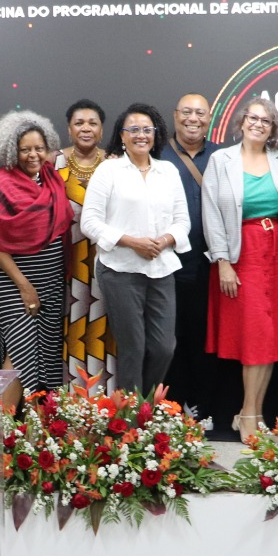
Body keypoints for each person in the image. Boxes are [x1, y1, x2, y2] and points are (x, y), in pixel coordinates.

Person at [202, 97, 278, 443]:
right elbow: (211, 213)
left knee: (271, 338)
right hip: (241, 254)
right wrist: (223, 262)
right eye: (253, 118)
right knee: (255, 336)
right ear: (242, 121)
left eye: (266, 121)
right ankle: (247, 413)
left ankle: (253, 413)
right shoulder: (221, 160)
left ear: (273, 128)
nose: (258, 124)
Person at [80, 102, 190, 394]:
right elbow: (89, 222)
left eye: (147, 129)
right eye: (134, 129)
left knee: (164, 347)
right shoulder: (109, 170)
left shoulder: (168, 171)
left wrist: (163, 241)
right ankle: (131, 414)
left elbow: (182, 222)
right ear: (122, 135)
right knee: (133, 348)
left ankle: (146, 409)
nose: (141, 135)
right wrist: (132, 242)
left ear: (156, 134)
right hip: (120, 270)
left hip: (161, 269)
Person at [0, 109, 72, 407]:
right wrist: (24, 286)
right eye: (25, 149)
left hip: (50, 281)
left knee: (45, 353)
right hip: (13, 281)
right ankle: (2, 425)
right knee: (20, 350)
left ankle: (35, 427)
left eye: (39, 148)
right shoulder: (2, 184)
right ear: (12, 150)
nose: (33, 155)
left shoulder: (52, 179)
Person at [158, 92, 223, 407]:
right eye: (186, 112)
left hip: (211, 266)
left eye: (200, 113)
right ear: (174, 116)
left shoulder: (223, 157)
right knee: (168, 339)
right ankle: (170, 407)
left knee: (204, 337)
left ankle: (203, 407)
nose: (192, 119)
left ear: (209, 118)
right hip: (164, 262)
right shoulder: (157, 154)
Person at [56, 99, 116, 385]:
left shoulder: (115, 163)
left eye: (93, 123)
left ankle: (107, 399)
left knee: (104, 327)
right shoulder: (52, 163)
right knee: (69, 326)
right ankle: (71, 399)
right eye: (79, 123)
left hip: (106, 259)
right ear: (69, 129)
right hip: (64, 262)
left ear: (102, 130)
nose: (86, 128)